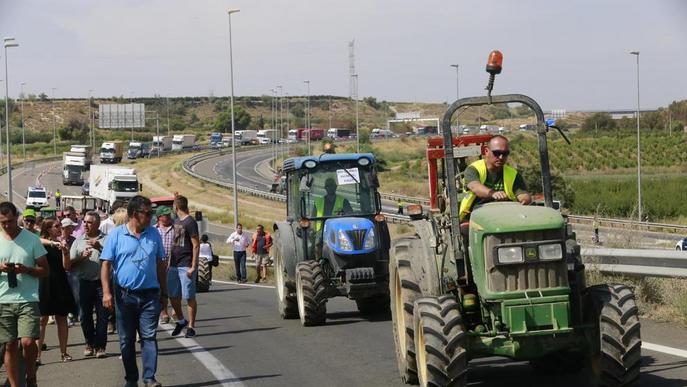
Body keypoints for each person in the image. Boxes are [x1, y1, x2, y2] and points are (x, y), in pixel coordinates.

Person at [100, 195, 167, 387]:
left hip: (150, 296)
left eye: (151, 213)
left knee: (148, 337)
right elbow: (106, 265)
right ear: (133, 214)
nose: (151, 217)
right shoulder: (117, 235)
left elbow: (161, 264)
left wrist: (165, 294)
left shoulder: (154, 234)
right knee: (126, 340)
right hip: (124, 296)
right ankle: (131, 379)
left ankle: (149, 378)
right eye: (147, 213)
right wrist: (106, 293)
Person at [0, 202, 49, 387]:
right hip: (3, 299)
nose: (7, 225)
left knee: (28, 342)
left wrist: (27, 269)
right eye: (2, 222)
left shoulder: (32, 239)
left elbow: (45, 270)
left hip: (27, 299)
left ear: (17, 218)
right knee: (10, 345)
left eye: (10, 221)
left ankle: (30, 376)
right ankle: (15, 384)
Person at [459, 135, 532, 221]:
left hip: (505, 215)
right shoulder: (473, 169)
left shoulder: (513, 174)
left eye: (504, 154)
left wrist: (524, 199)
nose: (501, 157)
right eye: (497, 153)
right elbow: (475, 186)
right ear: (486, 151)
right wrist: (492, 193)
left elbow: (522, 194)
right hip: (473, 216)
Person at [36, 217, 76, 365]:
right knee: (42, 319)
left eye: (59, 225)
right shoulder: (40, 242)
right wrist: (54, 243)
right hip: (44, 282)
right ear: (48, 229)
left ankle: (63, 352)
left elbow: (66, 267)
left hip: (59, 282)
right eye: (56, 226)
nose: (60, 228)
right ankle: (37, 355)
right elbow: (39, 240)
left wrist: (65, 252)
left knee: (61, 318)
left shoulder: (62, 244)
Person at [69, 211, 108, 359]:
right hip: (84, 282)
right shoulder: (79, 240)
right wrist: (80, 257)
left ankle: (100, 346)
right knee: (84, 316)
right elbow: (70, 263)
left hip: (101, 283)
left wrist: (100, 248)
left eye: (89, 222)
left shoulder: (106, 239)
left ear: (97, 224)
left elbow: (114, 259)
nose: (85, 224)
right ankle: (89, 343)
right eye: (84, 222)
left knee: (103, 316)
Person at [168, 195, 200, 338]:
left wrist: (193, 266)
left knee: (189, 296)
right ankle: (181, 321)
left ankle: (191, 326)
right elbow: (174, 243)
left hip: (186, 264)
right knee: (173, 295)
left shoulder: (190, 222)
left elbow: (196, 245)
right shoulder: (176, 221)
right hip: (174, 264)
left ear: (176, 207)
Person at [155, 206, 175, 324]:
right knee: (161, 290)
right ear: (159, 217)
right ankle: (164, 313)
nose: (168, 217)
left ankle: (175, 311)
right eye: (165, 215)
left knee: (173, 289)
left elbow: (180, 246)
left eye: (169, 215)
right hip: (157, 264)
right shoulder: (153, 230)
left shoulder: (176, 229)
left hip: (173, 263)